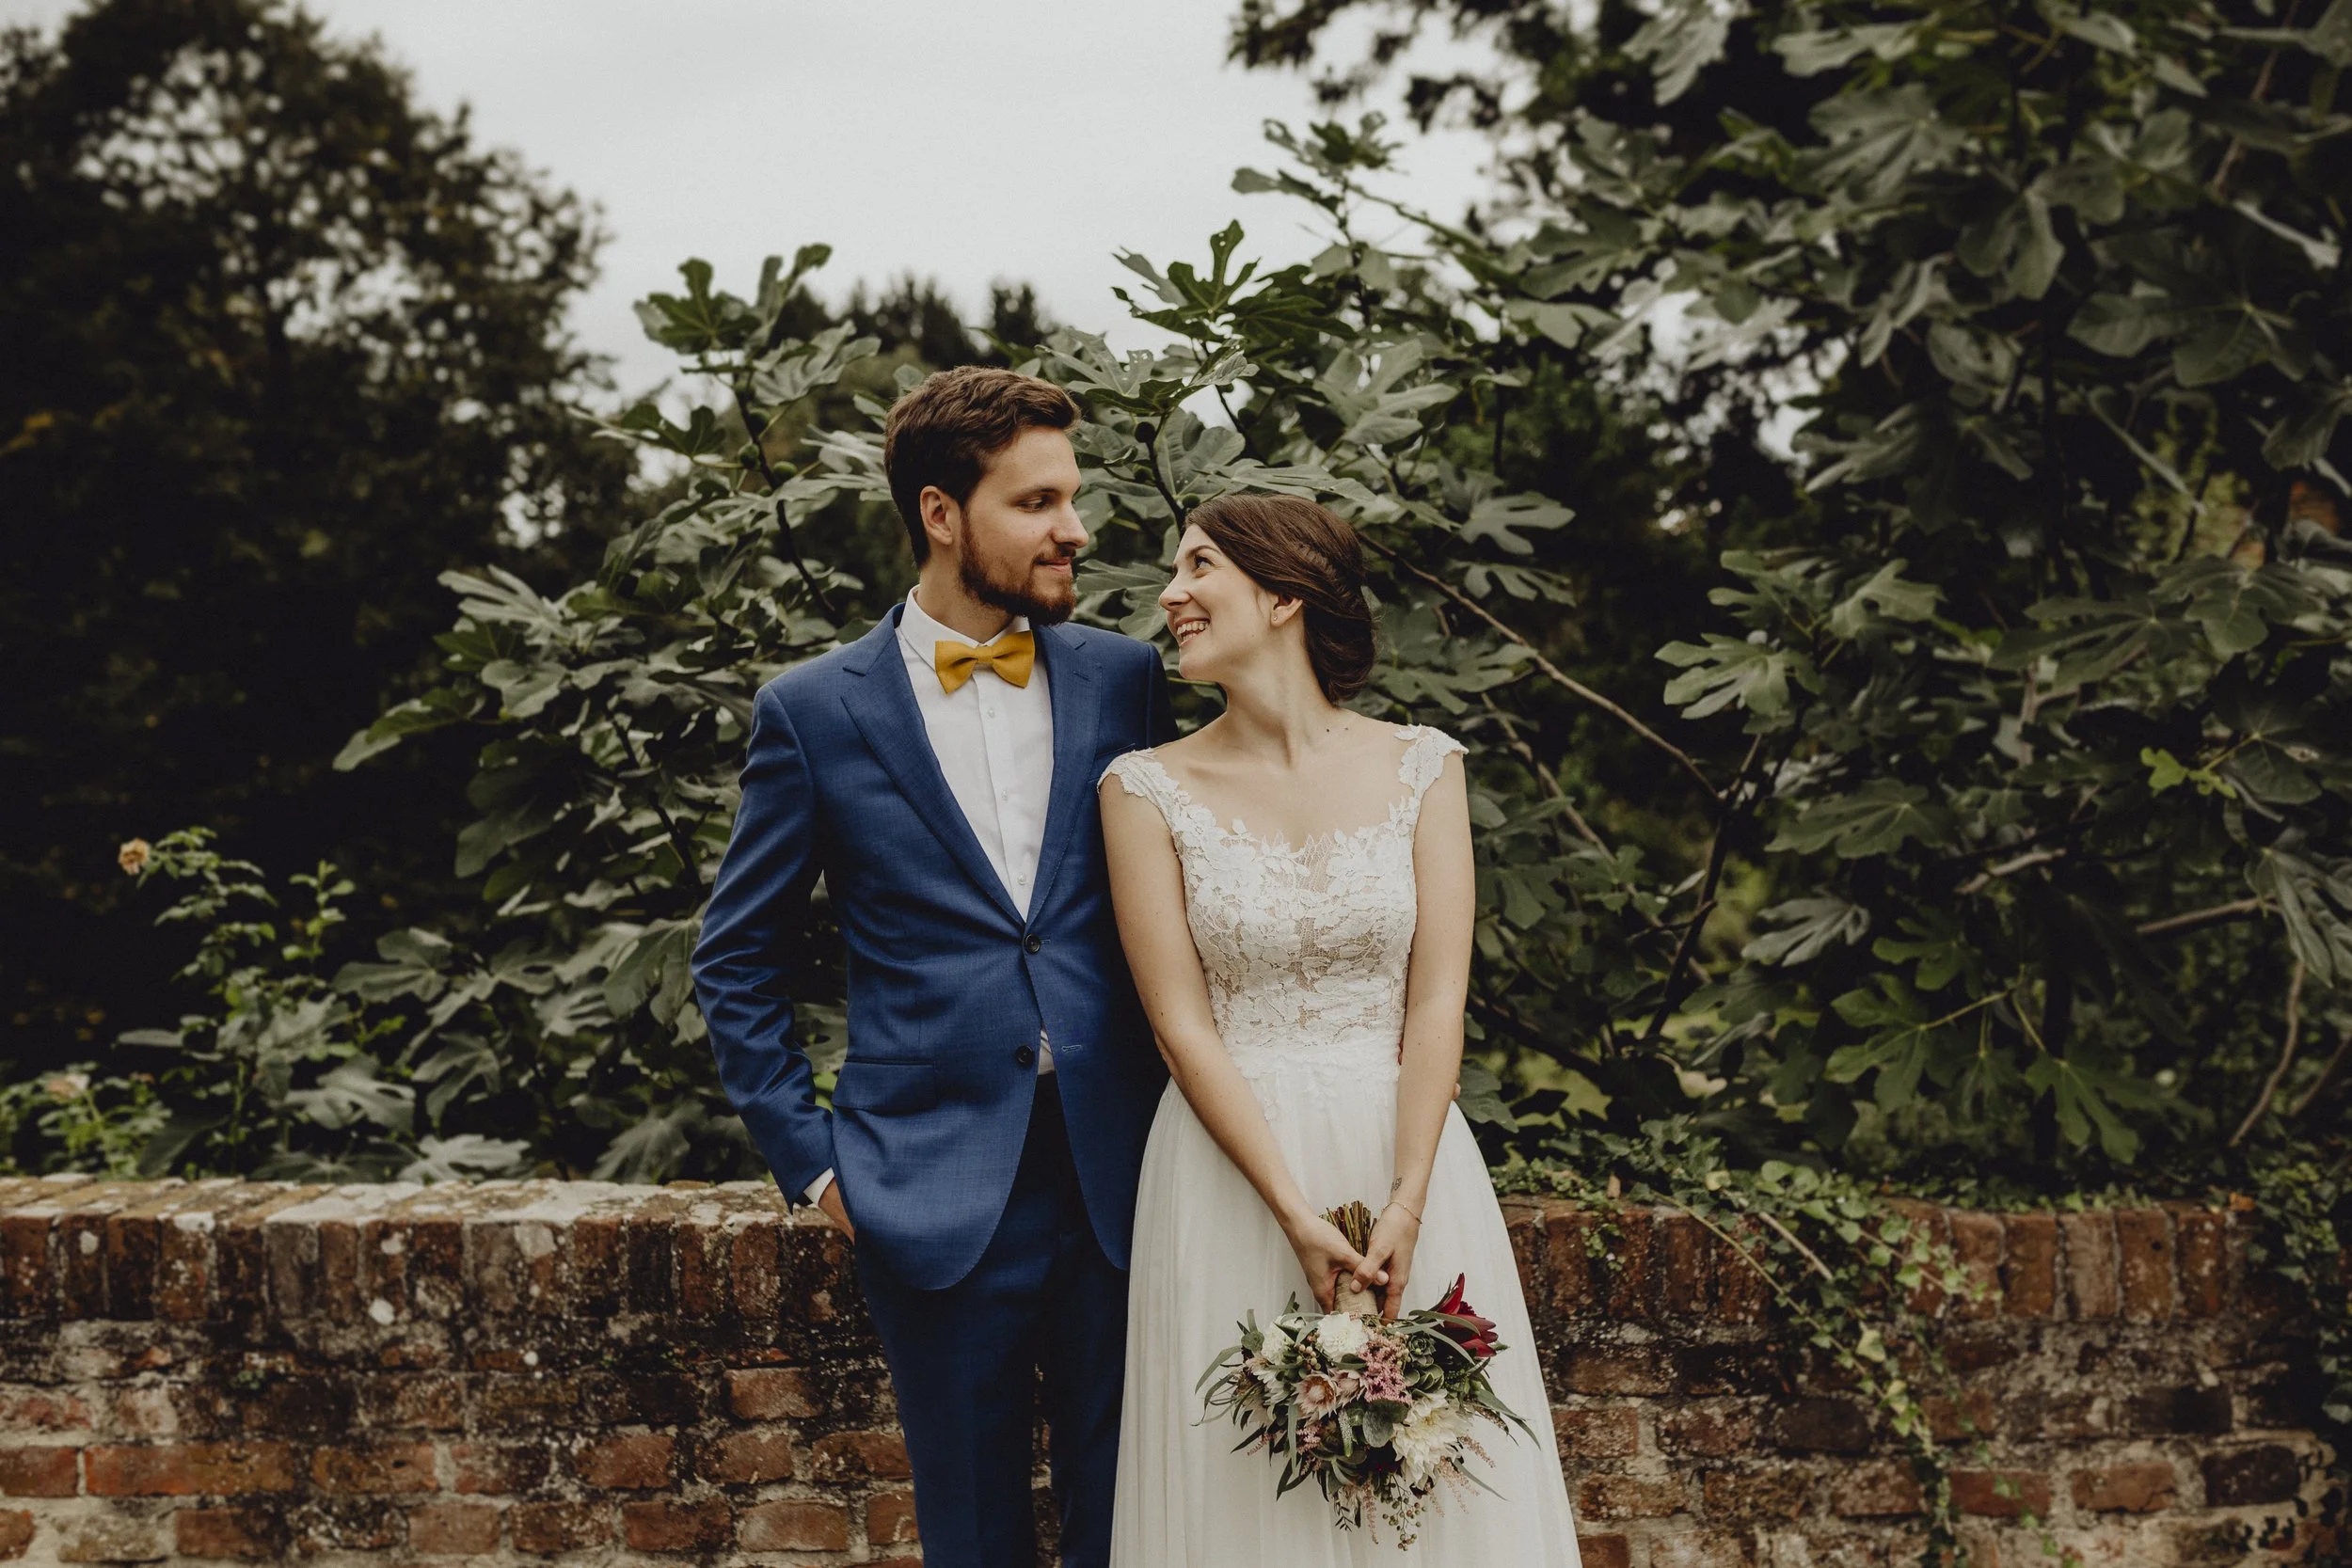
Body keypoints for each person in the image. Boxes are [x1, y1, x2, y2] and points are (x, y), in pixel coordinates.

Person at [692, 365, 1175, 1568]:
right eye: (1036, 502)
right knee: (973, 1534)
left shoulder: (1124, 679)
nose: (1074, 527)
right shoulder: (813, 710)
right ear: (941, 514)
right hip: (930, 1182)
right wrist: (808, 1164)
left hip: (1128, 1172)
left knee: (1138, 1524)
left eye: (1073, 495)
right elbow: (735, 955)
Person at [1098, 493, 1581, 1565]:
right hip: (1230, 1172)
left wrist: (1406, 1197)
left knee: (1437, 1480)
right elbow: (1181, 1026)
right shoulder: (1142, 790)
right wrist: (1291, 1208)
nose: (1170, 594)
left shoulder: (1424, 764)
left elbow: (1434, 997)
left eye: (1198, 565)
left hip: (1406, 1151)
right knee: (1240, 1499)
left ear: (1282, 594)